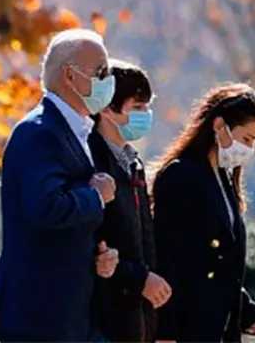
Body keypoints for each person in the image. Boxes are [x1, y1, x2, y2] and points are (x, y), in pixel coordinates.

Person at [0, 29, 121, 342]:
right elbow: (46, 208)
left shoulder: (76, 131)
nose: (107, 80)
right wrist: (97, 196)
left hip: (73, 311)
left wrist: (101, 254)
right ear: (70, 76)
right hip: (41, 312)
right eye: (100, 72)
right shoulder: (39, 132)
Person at [152, 83, 255, 343]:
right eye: (246, 139)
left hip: (218, 328)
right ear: (219, 125)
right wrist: (165, 334)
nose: (248, 149)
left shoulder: (224, 179)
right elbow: (166, 257)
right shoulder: (181, 175)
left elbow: (224, 266)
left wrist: (251, 317)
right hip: (187, 327)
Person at [88, 60, 172, 342]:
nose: (145, 115)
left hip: (137, 318)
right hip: (103, 318)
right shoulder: (91, 161)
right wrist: (137, 279)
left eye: (147, 107)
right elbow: (97, 245)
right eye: (137, 108)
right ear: (108, 109)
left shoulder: (132, 162)